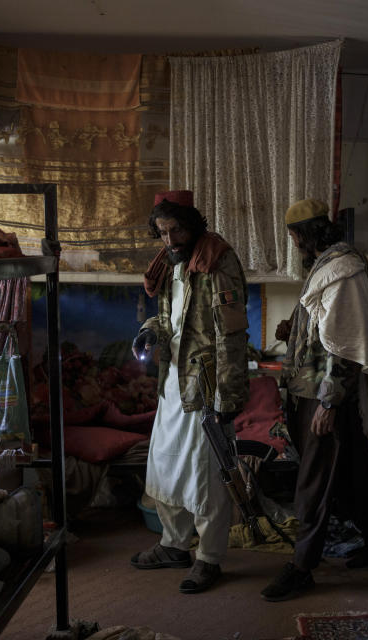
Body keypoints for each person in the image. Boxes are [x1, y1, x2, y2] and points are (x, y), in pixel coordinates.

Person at [260, 198, 368, 602]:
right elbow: (327, 330)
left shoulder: (343, 270)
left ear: (305, 234)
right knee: (351, 473)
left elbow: (349, 345)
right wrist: (296, 330)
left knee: (314, 482)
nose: (293, 243)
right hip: (314, 391)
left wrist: (329, 402)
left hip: (326, 396)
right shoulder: (327, 266)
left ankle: (301, 567)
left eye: (293, 236)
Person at [129, 190, 249, 594]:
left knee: (206, 476)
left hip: (206, 386)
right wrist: (148, 334)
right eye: (162, 233)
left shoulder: (218, 261)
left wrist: (228, 397)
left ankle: (209, 558)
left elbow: (231, 335)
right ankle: (173, 544)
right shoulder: (170, 263)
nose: (170, 240)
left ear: (193, 224)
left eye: (176, 230)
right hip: (172, 382)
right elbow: (168, 321)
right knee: (163, 467)